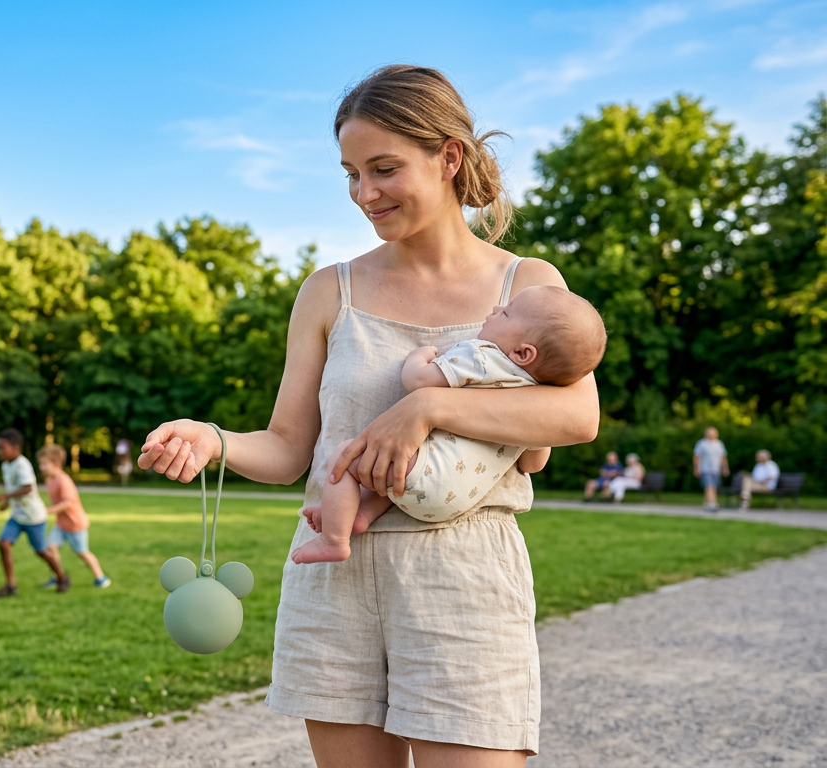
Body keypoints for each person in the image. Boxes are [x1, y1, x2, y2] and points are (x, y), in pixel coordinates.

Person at [137, 65, 600, 765]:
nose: (365, 193)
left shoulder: (526, 285)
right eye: (350, 174)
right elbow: (291, 448)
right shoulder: (330, 291)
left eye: (383, 168)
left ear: (449, 157)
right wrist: (212, 439)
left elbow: (576, 418)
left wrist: (428, 406)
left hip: (463, 578)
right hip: (334, 582)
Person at [293, 285, 605, 563]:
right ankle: (359, 514)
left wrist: (420, 356)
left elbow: (419, 382)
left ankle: (334, 538)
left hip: (427, 474)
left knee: (348, 457)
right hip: (456, 501)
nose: (496, 309)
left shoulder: (483, 356)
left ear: (523, 353)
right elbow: (533, 463)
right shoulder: (535, 404)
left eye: (506, 313)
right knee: (394, 467)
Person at [0, 428, 68, 597]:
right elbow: (14, 487)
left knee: (41, 551)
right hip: (18, 516)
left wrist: (6, 496)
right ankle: (10, 586)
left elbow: (27, 488)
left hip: (34, 517)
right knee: (3, 544)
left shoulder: (22, 464)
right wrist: (7, 503)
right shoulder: (6, 465)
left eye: (2, 448)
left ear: (15, 447)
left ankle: (62, 577)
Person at [36, 444, 112, 588]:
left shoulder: (63, 480)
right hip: (61, 523)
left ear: (56, 463)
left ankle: (100, 578)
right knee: (50, 547)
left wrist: (47, 511)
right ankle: (58, 576)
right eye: (41, 464)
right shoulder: (49, 480)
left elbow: (67, 503)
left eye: (45, 464)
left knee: (82, 552)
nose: (42, 468)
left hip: (75, 524)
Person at [693, 427, 730, 512]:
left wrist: (725, 468)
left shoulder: (719, 444)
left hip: (716, 469)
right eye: (709, 433)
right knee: (709, 486)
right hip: (705, 469)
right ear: (706, 434)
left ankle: (707, 502)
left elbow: (723, 457)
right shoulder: (701, 444)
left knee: (713, 487)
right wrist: (696, 468)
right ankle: (712, 504)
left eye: (713, 433)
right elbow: (697, 457)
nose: (711, 435)